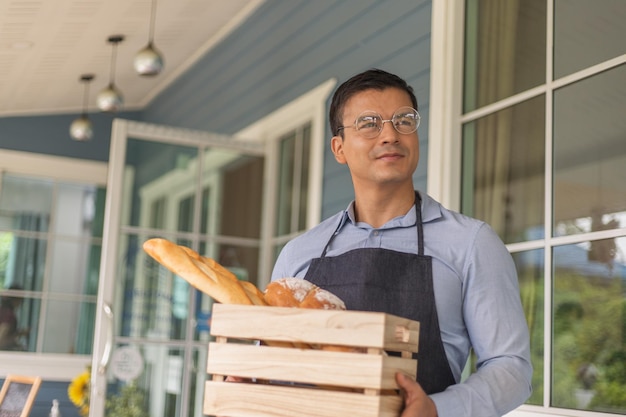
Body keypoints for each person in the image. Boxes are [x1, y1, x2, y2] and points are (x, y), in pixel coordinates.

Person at [271, 68, 532, 417]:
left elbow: (511, 368)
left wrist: (437, 410)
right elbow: (271, 358)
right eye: (369, 124)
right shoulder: (299, 254)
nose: (391, 135)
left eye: (404, 120)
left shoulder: (471, 243)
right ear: (339, 148)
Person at [0, 284, 29, 351]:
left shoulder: (3, 310)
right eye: (21, 300)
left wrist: (19, 333)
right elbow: (2, 335)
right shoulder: (8, 315)